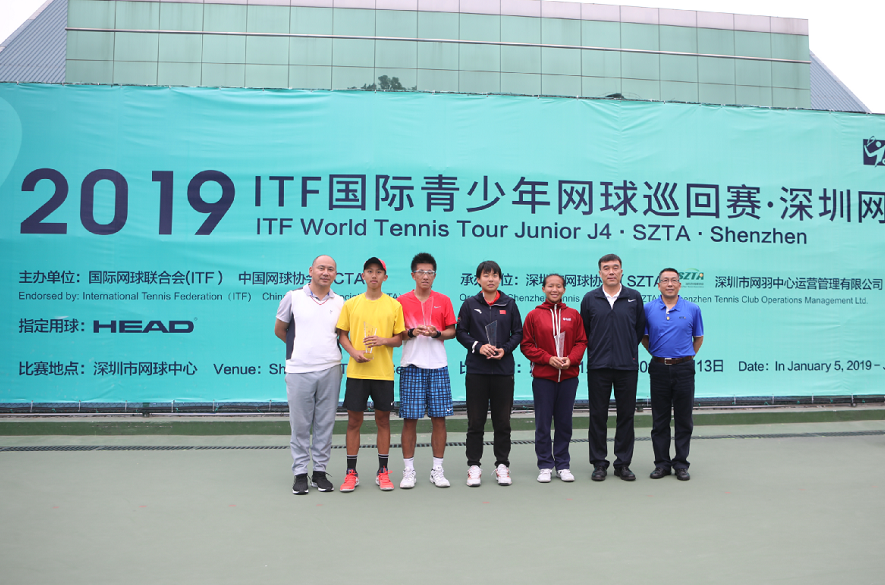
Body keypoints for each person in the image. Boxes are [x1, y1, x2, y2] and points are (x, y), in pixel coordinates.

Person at [274, 254, 344, 495]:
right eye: (321, 268)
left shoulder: (340, 301)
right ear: (311, 270)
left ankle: (320, 473)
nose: (326, 272)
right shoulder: (292, 297)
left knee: (325, 423)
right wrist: (301, 351)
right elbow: (280, 329)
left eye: (330, 269)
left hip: (331, 369)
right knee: (300, 424)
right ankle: (300, 473)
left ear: (335, 274)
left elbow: (341, 335)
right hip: (299, 370)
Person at [336, 257, 405, 492]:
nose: (374, 275)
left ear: (385, 277)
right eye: (369, 271)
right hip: (357, 373)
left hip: (383, 374)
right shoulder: (351, 304)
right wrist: (353, 352)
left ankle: (383, 471)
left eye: (378, 272)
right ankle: (351, 473)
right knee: (353, 422)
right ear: (363, 276)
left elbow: (399, 339)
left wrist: (383, 340)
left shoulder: (394, 305)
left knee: (383, 421)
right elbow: (342, 335)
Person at [456, 260, 523, 487]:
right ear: (478, 279)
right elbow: (461, 332)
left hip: (503, 371)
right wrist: (478, 346)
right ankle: (474, 466)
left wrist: (505, 349)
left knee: (502, 421)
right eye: (486, 275)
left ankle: (502, 465)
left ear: (500, 279)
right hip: (477, 371)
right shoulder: (469, 304)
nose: (491, 279)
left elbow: (518, 333)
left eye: (495, 275)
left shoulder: (509, 303)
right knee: (476, 421)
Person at [580, 253, 646, 482]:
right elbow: (585, 331)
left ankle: (623, 464)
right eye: (606, 268)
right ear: (600, 273)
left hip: (627, 366)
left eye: (615, 267)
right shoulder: (590, 299)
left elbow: (638, 330)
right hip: (598, 366)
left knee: (626, 415)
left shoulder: (633, 297)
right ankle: (599, 463)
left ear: (621, 271)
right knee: (597, 416)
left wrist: (626, 350)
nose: (611, 272)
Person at [397, 252, 457, 488]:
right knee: (410, 420)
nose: (425, 276)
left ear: (434, 276)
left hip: (438, 366)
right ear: (413, 275)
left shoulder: (444, 300)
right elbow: (397, 334)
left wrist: (437, 333)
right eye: (421, 272)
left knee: (439, 420)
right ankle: (408, 471)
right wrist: (411, 332)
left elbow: (452, 331)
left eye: (430, 272)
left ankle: (437, 470)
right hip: (412, 366)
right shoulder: (401, 301)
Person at [520, 274, 587, 483]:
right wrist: (547, 359)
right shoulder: (533, 316)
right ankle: (545, 465)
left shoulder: (573, 315)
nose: (554, 289)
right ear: (543, 289)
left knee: (564, 422)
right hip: (544, 378)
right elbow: (526, 345)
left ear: (564, 290)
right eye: (550, 286)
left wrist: (571, 359)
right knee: (543, 423)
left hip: (568, 378)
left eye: (559, 286)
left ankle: (563, 465)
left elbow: (581, 341)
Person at [642, 268, 704, 481]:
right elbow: (644, 337)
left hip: (684, 369)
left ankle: (681, 464)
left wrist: (685, 357)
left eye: (673, 280)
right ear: (658, 285)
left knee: (683, 419)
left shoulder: (692, 309)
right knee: (660, 420)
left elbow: (698, 338)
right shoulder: (648, 308)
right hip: (659, 368)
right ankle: (661, 464)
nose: (669, 284)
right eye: (665, 280)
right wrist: (658, 354)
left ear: (679, 284)